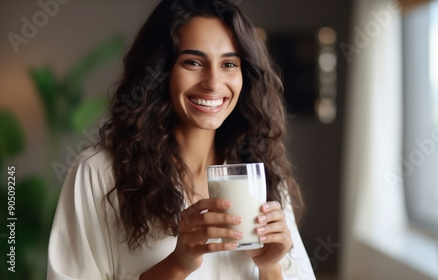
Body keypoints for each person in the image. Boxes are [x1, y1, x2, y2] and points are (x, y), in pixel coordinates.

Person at [47, 0, 316, 279]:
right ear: (160, 72)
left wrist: (270, 267)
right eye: (193, 62)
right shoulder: (100, 173)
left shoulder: (263, 176)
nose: (213, 82)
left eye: (228, 64)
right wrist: (178, 263)